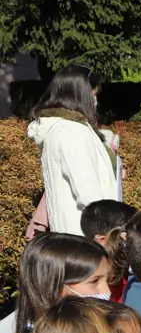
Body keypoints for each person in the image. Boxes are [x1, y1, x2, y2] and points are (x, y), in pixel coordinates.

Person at [28, 65, 119, 235]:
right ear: (82, 94)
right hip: (86, 235)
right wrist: (112, 231)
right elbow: (88, 193)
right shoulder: (71, 132)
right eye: (94, 94)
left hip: (76, 233)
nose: (95, 100)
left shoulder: (65, 128)